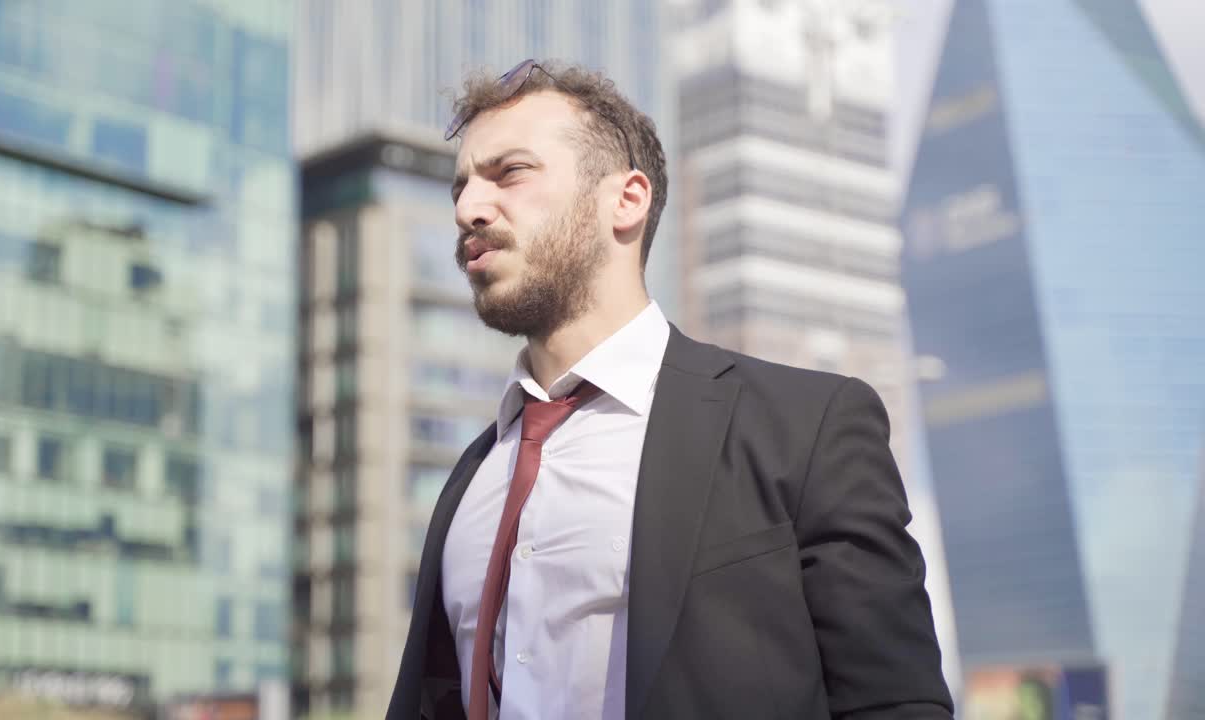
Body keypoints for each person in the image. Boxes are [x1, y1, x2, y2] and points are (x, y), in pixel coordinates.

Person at [387, 59, 953, 720]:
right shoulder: (470, 482)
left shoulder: (805, 429)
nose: (467, 209)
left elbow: (893, 702)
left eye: (509, 173)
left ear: (626, 200)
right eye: (461, 187)